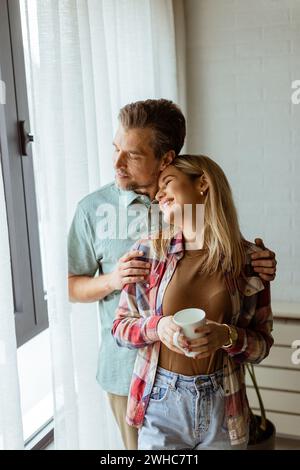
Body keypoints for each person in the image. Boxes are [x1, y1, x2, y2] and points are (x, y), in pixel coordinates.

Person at [68, 99, 276, 450]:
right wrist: (114, 281)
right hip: (134, 381)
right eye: (116, 149)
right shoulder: (97, 212)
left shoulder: (237, 254)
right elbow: (74, 288)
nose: (117, 163)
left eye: (132, 154)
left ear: (166, 159)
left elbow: (258, 338)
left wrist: (252, 270)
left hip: (220, 395)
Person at [112, 154, 274, 450]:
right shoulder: (148, 252)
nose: (158, 194)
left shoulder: (250, 262)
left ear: (202, 184)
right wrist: (158, 327)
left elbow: (261, 346)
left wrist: (228, 336)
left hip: (224, 407)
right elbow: (121, 328)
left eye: (168, 182)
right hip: (161, 404)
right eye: (157, 188)